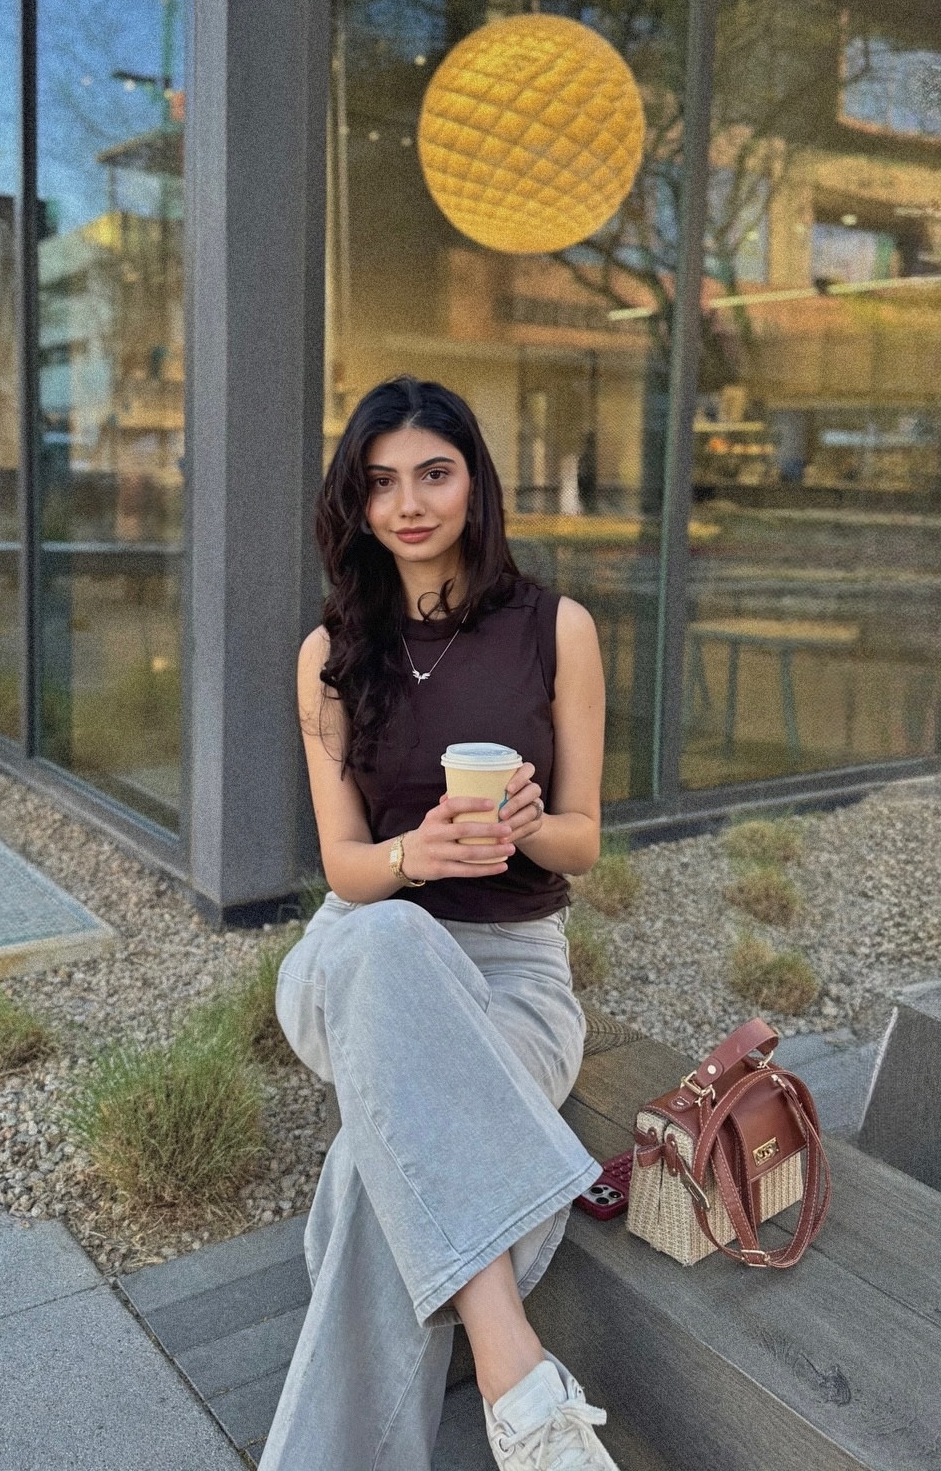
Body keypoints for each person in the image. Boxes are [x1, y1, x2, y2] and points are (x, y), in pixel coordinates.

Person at [260, 376, 619, 1471]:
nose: (409, 502)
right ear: (355, 502)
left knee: (370, 1190)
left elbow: (585, 839)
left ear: (475, 479)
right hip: (355, 959)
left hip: (512, 972)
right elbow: (346, 868)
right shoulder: (330, 653)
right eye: (381, 481)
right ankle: (518, 1372)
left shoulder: (557, 628)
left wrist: (529, 823)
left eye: (433, 472)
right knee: (383, 934)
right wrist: (413, 854)